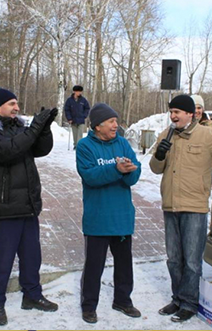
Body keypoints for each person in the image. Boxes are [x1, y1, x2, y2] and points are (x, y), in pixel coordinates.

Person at [0, 88, 58, 326]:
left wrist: (44, 129)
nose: (17, 107)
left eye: (17, 103)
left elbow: (40, 149)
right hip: (4, 208)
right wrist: (34, 128)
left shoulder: (19, 128)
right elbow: (9, 150)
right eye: (12, 103)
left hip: (27, 205)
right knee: (2, 260)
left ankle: (32, 295)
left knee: (32, 257)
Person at [149, 94, 212, 323]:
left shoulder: (207, 135)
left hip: (194, 207)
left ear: (190, 114)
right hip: (170, 205)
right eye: (171, 112)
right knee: (174, 258)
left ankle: (190, 303)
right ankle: (177, 298)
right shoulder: (167, 134)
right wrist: (160, 154)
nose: (173, 116)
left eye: (177, 112)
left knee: (192, 260)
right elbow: (155, 168)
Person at [76, 103, 141, 324]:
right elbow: (90, 177)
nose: (116, 125)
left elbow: (135, 174)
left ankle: (123, 300)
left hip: (122, 217)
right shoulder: (85, 146)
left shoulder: (122, 143)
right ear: (98, 125)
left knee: (125, 264)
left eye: (116, 121)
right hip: (98, 218)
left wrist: (131, 169)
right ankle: (88, 306)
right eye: (112, 121)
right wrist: (116, 169)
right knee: (94, 266)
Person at [191, 94, 212, 168]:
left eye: (199, 108)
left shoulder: (211, 126)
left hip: (205, 169)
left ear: (203, 109)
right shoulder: (184, 126)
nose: (196, 111)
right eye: (194, 108)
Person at [64, 85, 90, 149]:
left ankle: (79, 146)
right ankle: (75, 145)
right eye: (78, 91)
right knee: (75, 134)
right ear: (75, 91)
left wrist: (84, 116)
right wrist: (69, 118)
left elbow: (87, 108)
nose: (80, 93)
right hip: (73, 120)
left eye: (80, 91)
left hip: (81, 120)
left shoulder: (83, 100)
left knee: (80, 134)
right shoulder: (69, 100)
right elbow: (67, 109)